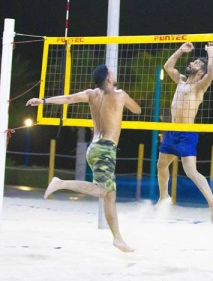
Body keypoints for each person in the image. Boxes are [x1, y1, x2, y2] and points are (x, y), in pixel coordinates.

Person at [26, 64, 141, 252]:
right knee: (104, 192)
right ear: (109, 80)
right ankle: (60, 183)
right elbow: (137, 110)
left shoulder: (91, 93)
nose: (114, 73)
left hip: (94, 147)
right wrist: (125, 100)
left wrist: (43, 101)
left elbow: (69, 98)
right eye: (112, 73)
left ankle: (118, 238)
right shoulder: (120, 95)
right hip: (106, 149)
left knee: (109, 196)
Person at [156, 42, 213, 223]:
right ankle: (163, 197)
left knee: (191, 171)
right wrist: (180, 50)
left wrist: (210, 54)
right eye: (192, 61)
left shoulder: (199, 86)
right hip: (172, 132)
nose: (191, 63)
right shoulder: (181, 80)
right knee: (161, 165)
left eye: (196, 64)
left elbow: (211, 74)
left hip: (186, 134)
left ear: (200, 72)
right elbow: (168, 66)